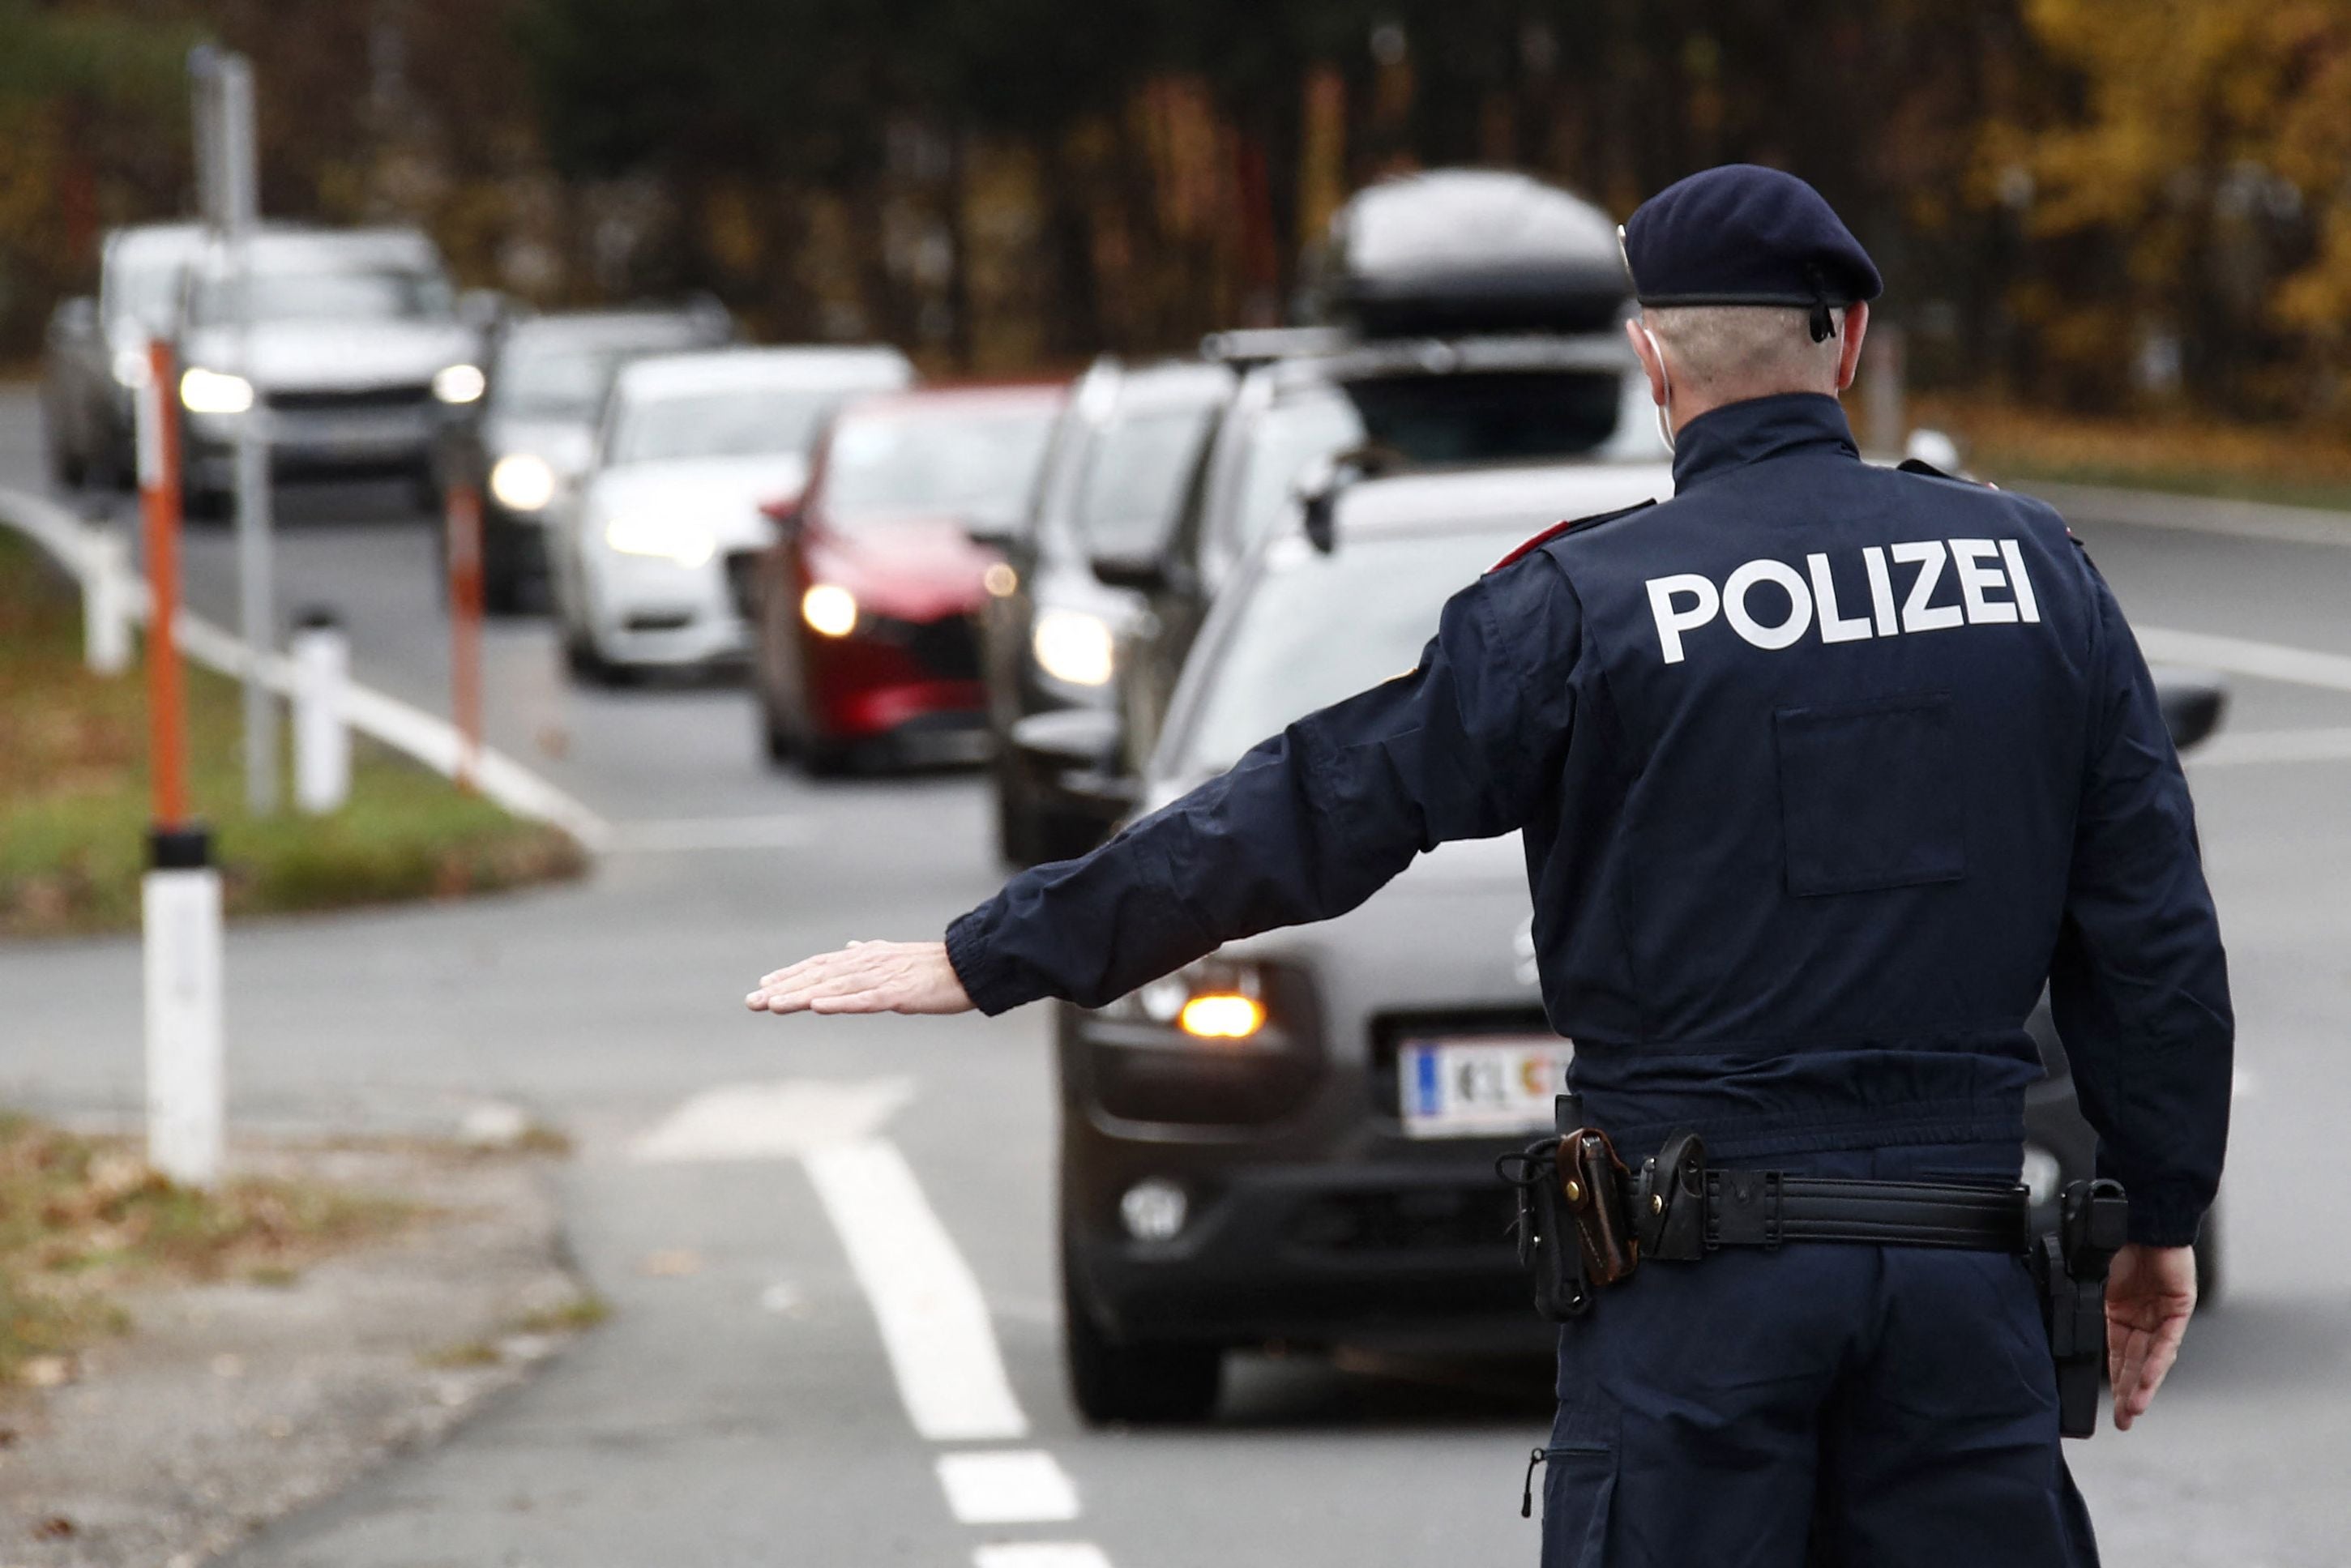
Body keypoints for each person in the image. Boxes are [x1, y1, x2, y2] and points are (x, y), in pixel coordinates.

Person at [746, 164, 2231, 1566]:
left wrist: (997, 950)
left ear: (1651, 360)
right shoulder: (2030, 571)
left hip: (1693, 1303)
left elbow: (1314, 805)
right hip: (1957, 1293)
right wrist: (2159, 1215)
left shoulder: (1582, 605)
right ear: (1846, 342)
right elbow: (2154, 944)